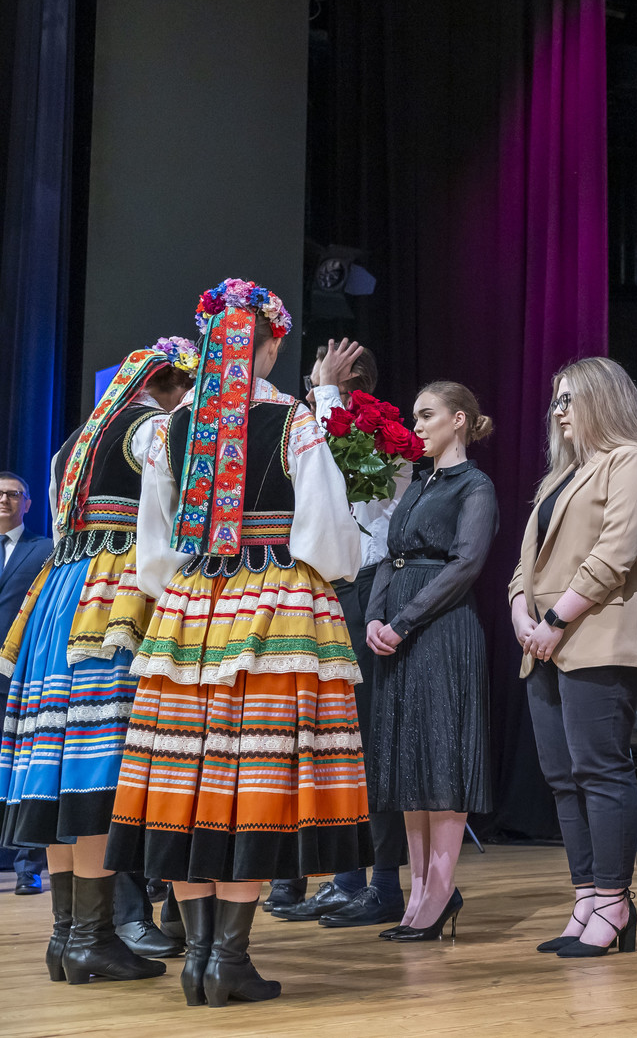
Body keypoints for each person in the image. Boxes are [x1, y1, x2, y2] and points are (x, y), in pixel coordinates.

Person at [106, 278, 371, 1007]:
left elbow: (154, 546)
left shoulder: (170, 429)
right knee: (251, 779)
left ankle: (198, 961)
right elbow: (325, 531)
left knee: (184, 783)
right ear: (272, 345)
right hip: (273, 606)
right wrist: (332, 568)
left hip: (191, 612)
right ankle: (228, 958)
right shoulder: (292, 423)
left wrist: (184, 592)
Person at [0, 340, 196, 984]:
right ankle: (90, 936)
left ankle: (67, 938)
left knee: (61, 760)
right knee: (96, 761)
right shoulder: (153, 430)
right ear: (171, 387)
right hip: (111, 597)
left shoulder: (73, 444)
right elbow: (171, 519)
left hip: (59, 593)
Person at [511, 357, 637, 958]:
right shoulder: (561, 477)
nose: (558, 411)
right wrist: (522, 614)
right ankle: (585, 899)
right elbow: (526, 564)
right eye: (555, 400)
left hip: (596, 638)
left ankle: (614, 901)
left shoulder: (633, 462)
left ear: (603, 400)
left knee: (600, 771)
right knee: (562, 778)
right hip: (543, 642)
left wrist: (554, 620)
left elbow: (615, 554)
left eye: (569, 399)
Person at [270, 339, 413, 928]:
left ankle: (383, 883)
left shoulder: (383, 438)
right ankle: (345, 874)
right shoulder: (313, 430)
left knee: (367, 738)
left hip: (364, 589)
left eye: (322, 381)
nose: (311, 390)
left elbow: (342, 481)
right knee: (329, 740)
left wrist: (325, 390)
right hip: (318, 590)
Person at [364, 380, 498, 942]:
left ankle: (439, 892)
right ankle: (418, 891)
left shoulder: (475, 486)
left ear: (459, 419)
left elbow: (465, 565)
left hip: (441, 631)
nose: (416, 427)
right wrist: (375, 616)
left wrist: (403, 620)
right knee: (408, 762)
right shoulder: (420, 483)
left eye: (426, 416)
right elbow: (388, 557)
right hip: (399, 629)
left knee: (440, 758)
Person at [0, 470, 52, 896]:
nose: (5, 500)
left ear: (29, 503)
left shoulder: (45, 550)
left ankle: (27, 868)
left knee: (24, 766)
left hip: (17, 673)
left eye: (14, 494)